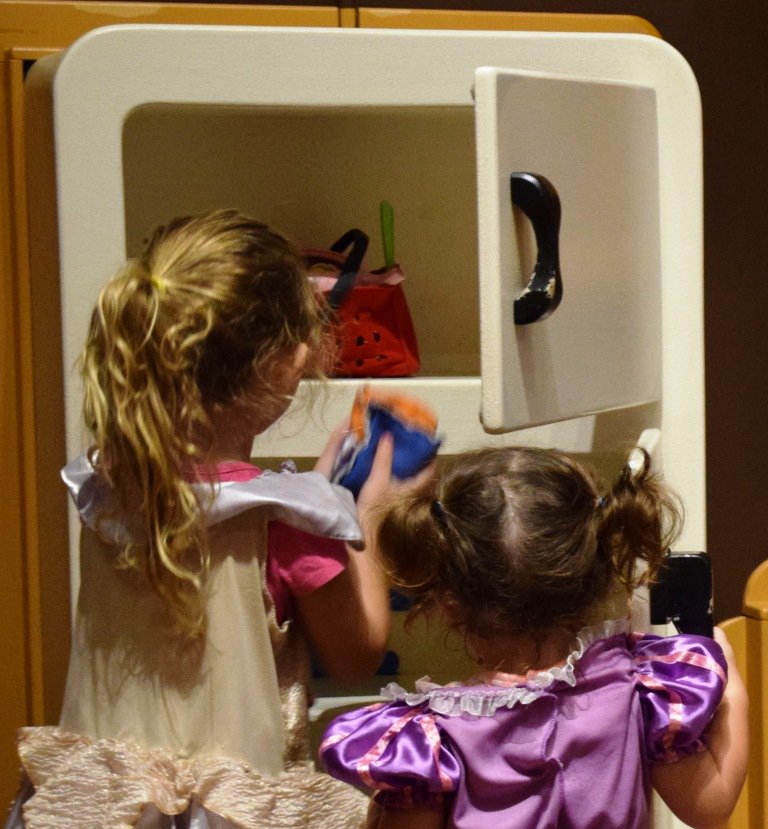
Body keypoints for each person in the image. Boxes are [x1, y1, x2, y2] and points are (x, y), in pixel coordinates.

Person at [9, 209, 396, 829]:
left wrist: (317, 496)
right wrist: (367, 514)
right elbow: (359, 653)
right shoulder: (287, 521)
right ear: (282, 366)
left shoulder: (103, 486)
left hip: (108, 811)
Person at [320, 446, 749, 829]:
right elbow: (709, 808)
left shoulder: (430, 746)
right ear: (598, 570)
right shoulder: (642, 692)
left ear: (448, 602)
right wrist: (728, 681)